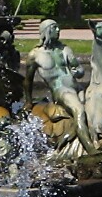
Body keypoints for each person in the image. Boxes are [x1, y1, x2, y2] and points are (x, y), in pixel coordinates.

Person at [24, 19, 97, 154]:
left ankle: (90, 138)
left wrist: (79, 71)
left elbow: (78, 69)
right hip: (62, 91)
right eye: (54, 28)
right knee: (79, 111)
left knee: (93, 109)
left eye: (58, 27)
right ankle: (90, 149)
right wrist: (28, 101)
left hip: (78, 88)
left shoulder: (65, 49)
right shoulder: (35, 55)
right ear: (46, 31)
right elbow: (28, 81)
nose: (58, 31)